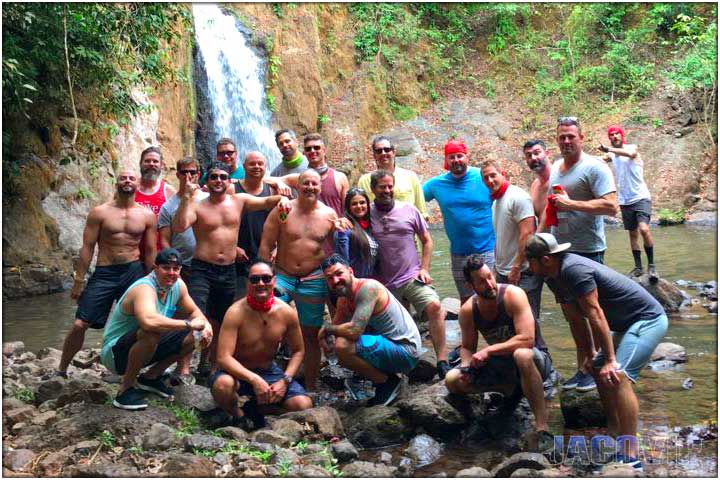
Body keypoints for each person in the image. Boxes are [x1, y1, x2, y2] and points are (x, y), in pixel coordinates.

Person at [525, 233, 668, 471]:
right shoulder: (553, 277)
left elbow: (595, 313)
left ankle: (631, 454)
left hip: (647, 320)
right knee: (595, 368)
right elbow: (575, 320)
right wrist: (591, 354)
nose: (528, 266)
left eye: (530, 260)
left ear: (546, 259)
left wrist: (611, 359)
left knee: (618, 375)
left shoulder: (574, 270)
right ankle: (613, 431)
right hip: (624, 326)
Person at [172, 161, 290, 371]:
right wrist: (187, 197)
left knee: (221, 319)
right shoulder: (197, 205)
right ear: (206, 181)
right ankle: (184, 368)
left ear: (229, 181)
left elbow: (266, 202)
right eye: (214, 177)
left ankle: (210, 364)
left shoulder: (239, 200)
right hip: (202, 269)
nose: (218, 180)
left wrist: (282, 197)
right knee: (196, 315)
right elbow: (179, 226)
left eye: (223, 177)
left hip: (228, 270)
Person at [541, 116, 619, 392]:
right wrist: (538, 242)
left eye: (570, 136)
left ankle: (604, 366)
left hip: (587, 250)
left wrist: (572, 203)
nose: (565, 141)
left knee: (591, 311)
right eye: (561, 137)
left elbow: (611, 207)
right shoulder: (557, 170)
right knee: (572, 315)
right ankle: (586, 366)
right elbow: (551, 211)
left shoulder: (594, 167)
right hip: (558, 253)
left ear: (581, 138)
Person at [445, 255, 553, 450]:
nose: (490, 284)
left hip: (536, 359)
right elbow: (468, 347)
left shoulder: (514, 295)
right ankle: (510, 390)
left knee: (522, 354)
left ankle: (542, 425)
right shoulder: (468, 309)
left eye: (490, 277)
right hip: (502, 366)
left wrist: (489, 350)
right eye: (482, 281)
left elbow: (527, 339)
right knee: (452, 380)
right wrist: (467, 366)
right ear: (471, 287)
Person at [57, 170, 156, 377]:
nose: (127, 181)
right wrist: (78, 280)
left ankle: (130, 371)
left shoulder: (147, 215)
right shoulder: (100, 212)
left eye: (131, 178)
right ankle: (62, 369)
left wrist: (153, 280)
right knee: (79, 323)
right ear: (117, 183)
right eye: (123, 178)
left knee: (140, 323)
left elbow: (150, 250)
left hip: (134, 271)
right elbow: (87, 247)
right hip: (105, 272)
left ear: (138, 183)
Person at [100, 248, 213, 410]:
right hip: (114, 354)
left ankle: (150, 378)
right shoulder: (144, 288)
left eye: (176, 269)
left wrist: (206, 325)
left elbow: (195, 312)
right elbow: (148, 322)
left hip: (143, 348)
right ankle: (125, 390)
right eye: (166, 268)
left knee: (199, 334)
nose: (171, 273)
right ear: (155, 268)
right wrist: (188, 324)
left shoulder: (178, 286)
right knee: (151, 331)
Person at [258, 169, 340, 391]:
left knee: (310, 334)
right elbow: (266, 243)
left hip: (313, 278)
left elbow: (337, 251)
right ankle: (264, 378)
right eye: (306, 184)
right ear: (298, 186)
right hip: (282, 276)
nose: (310, 188)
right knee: (267, 322)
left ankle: (311, 388)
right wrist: (266, 274)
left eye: (314, 184)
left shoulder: (328, 215)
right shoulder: (284, 209)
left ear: (320, 187)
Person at [210, 259, 312, 427]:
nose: (261, 283)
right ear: (247, 282)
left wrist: (285, 381)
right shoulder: (236, 312)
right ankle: (238, 414)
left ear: (274, 280)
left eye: (266, 278)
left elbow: (298, 351)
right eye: (255, 279)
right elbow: (223, 357)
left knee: (303, 405)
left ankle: (258, 409)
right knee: (222, 386)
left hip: (268, 371)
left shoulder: (286, 312)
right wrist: (254, 379)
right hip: (237, 373)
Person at [369, 170, 450, 379]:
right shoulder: (365, 213)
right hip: (384, 283)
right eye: (382, 187)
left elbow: (427, 240)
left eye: (390, 186)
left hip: (411, 275)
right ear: (373, 190)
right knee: (396, 329)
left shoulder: (409, 210)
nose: (387, 191)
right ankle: (401, 369)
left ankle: (442, 360)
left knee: (434, 306)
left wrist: (424, 268)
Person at [320, 254, 422, 406]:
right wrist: (326, 341)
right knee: (338, 346)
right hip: (390, 347)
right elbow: (336, 329)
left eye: (339, 273)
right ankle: (379, 378)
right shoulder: (343, 299)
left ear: (350, 271)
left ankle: (388, 382)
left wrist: (327, 330)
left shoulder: (368, 288)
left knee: (343, 345)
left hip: (406, 350)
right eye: (330, 278)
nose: (335, 280)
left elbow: (354, 331)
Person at [422, 140, 495, 304]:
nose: (456, 160)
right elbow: (415, 199)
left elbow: (503, 194)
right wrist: (421, 214)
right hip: (458, 252)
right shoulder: (436, 184)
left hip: (488, 249)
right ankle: (469, 330)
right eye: (451, 157)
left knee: (489, 295)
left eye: (459, 156)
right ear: (446, 161)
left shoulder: (483, 177)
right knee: (466, 300)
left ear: (466, 157)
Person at [158, 157, 209, 384]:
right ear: (177, 174)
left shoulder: (209, 199)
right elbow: (165, 240)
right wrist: (173, 267)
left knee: (212, 314)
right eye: (184, 172)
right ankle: (184, 366)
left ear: (198, 174)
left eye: (193, 172)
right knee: (184, 315)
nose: (188, 176)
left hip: (209, 265)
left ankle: (208, 362)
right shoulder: (168, 206)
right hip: (184, 267)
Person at [481, 160, 543, 320]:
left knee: (528, 320)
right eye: (486, 178)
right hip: (504, 271)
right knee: (510, 321)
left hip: (523, 271)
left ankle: (538, 347)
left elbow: (528, 233)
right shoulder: (496, 202)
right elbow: (501, 237)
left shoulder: (518, 197)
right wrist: (496, 267)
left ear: (503, 174)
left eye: (493, 175)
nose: (490, 181)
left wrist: (516, 267)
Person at [599, 125, 657, 280]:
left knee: (644, 229)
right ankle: (638, 267)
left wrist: (609, 150)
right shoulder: (612, 155)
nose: (615, 136)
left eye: (617, 133)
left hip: (641, 197)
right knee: (632, 234)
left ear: (622, 135)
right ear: (610, 138)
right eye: (612, 134)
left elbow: (630, 154)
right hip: (625, 201)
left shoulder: (631, 148)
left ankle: (652, 267)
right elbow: (599, 160)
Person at [234, 152, 276, 298]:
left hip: (265, 255)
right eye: (252, 164)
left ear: (266, 167)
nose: (256, 167)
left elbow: (282, 223)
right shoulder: (232, 189)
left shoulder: (272, 190)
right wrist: (233, 247)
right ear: (244, 166)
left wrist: (277, 248)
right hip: (238, 257)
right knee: (239, 301)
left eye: (260, 163)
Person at [358, 135, 428, 219]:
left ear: (394, 152)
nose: (383, 153)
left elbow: (422, 212)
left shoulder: (410, 177)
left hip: (407, 229)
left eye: (387, 150)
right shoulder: (364, 181)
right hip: (378, 229)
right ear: (374, 155)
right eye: (379, 151)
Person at [135, 146, 176, 254]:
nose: (151, 164)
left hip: (159, 255)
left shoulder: (168, 191)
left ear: (161, 165)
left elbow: (176, 225)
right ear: (140, 163)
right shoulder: (130, 189)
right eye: (147, 161)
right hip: (132, 254)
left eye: (155, 161)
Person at [333, 187, 379, 279]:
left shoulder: (370, 227)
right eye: (354, 204)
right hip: (355, 283)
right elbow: (342, 262)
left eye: (362, 202)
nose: (359, 206)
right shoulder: (344, 229)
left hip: (370, 281)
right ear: (348, 207)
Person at [303, 133, 349, 217]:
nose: (312, 151)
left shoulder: (340, 177)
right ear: (304, 153)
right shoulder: (299, 179)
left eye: (316, 147)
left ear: (324, 150)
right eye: (308, 149)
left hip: (335, 228)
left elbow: (347, 210)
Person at [523, 139, 553, 218]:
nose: (533, 158)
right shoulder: (534, 185)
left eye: (537, 153)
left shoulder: (559, 178)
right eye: (529, 155)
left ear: (547, 153)